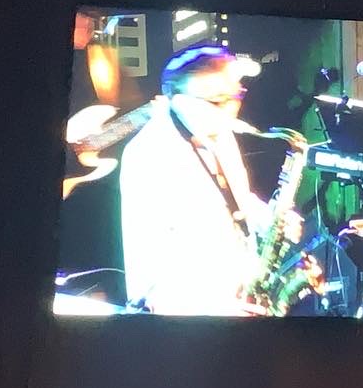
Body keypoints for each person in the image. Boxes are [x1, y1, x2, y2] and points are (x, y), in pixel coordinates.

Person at [119, 45, 300, 314]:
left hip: (237, 297)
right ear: (178, 100)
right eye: (218, 100)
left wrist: (270, 218)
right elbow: (149, 273)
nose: (232, 109)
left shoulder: (219, 133)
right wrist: (216, 308)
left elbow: (235, 199)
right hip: (188, 319)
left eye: (237, 95)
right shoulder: (147, 155)